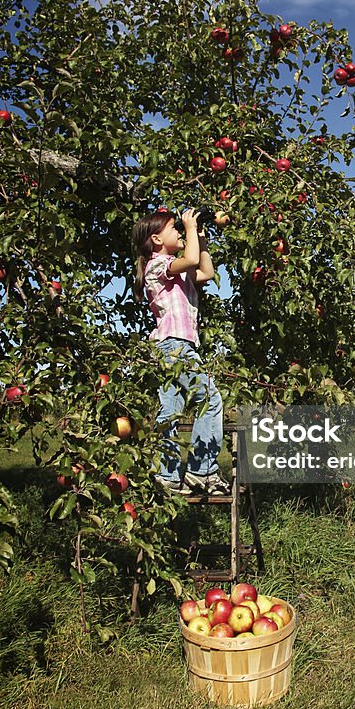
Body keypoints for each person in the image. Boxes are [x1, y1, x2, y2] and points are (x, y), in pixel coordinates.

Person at [132, 208, 229, 496]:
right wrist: (190, 227)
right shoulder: (156, 265)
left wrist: (200, 238)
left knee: (170, 411)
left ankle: (169, 477)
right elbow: (190, 259)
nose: (179, 232)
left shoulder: (178, 268)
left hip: (174, 346)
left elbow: (206, 271)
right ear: (156, 239)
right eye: (174, 228)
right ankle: (202, 471)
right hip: (173, 345)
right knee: (209, 400)